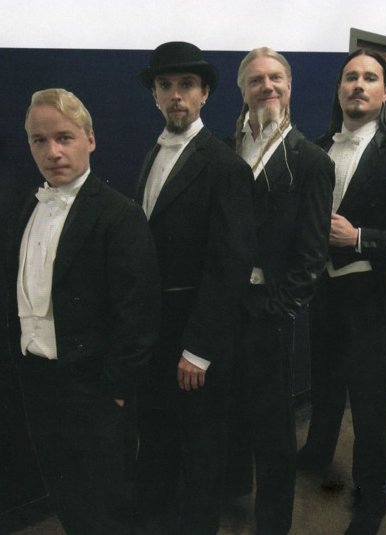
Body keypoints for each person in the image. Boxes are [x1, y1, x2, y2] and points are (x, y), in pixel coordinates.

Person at [6, 88, 160, 535]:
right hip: (37, 380)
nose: (52, 152)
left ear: (90, 140)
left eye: (64, 137)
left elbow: (138, 314)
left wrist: (115, 391)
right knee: (66, 495)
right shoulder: (28, 206)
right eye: (39, 140)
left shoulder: (118, 215)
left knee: (105, 503)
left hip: (92, 389)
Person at [134, 41, 257, 535]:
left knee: (201, 450)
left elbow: (230, 267)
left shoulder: (226, 166)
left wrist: (199, 350)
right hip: (154, 334)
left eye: (186, 85)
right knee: (159, 440)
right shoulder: (153, 154)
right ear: (154, 95)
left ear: (205, 93)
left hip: (194, 341)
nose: (175, 95)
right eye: (165, 85)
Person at [297, 49, 386, 535]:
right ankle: (315, 454)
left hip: (368, 297)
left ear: (385, 92)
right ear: (339, 89)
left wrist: (361, 238)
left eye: (370, 78)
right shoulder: (318, 146)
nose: (358, 85)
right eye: (350, 77)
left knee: (371, 405)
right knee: (324, 382)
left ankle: (373, 496)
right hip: (321, 290)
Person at [227, 47, 334, 535]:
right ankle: (232, 490)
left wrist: (278, 310)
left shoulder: (311, 160)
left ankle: (273, 523)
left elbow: (312, 254)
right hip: (225, 304)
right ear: (243, 91)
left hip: (269, 310)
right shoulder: (226, 149)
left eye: (276, 78)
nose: (266, 86)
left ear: (290, 87)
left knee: (272, 427)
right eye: (256, 80)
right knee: (230, 409)